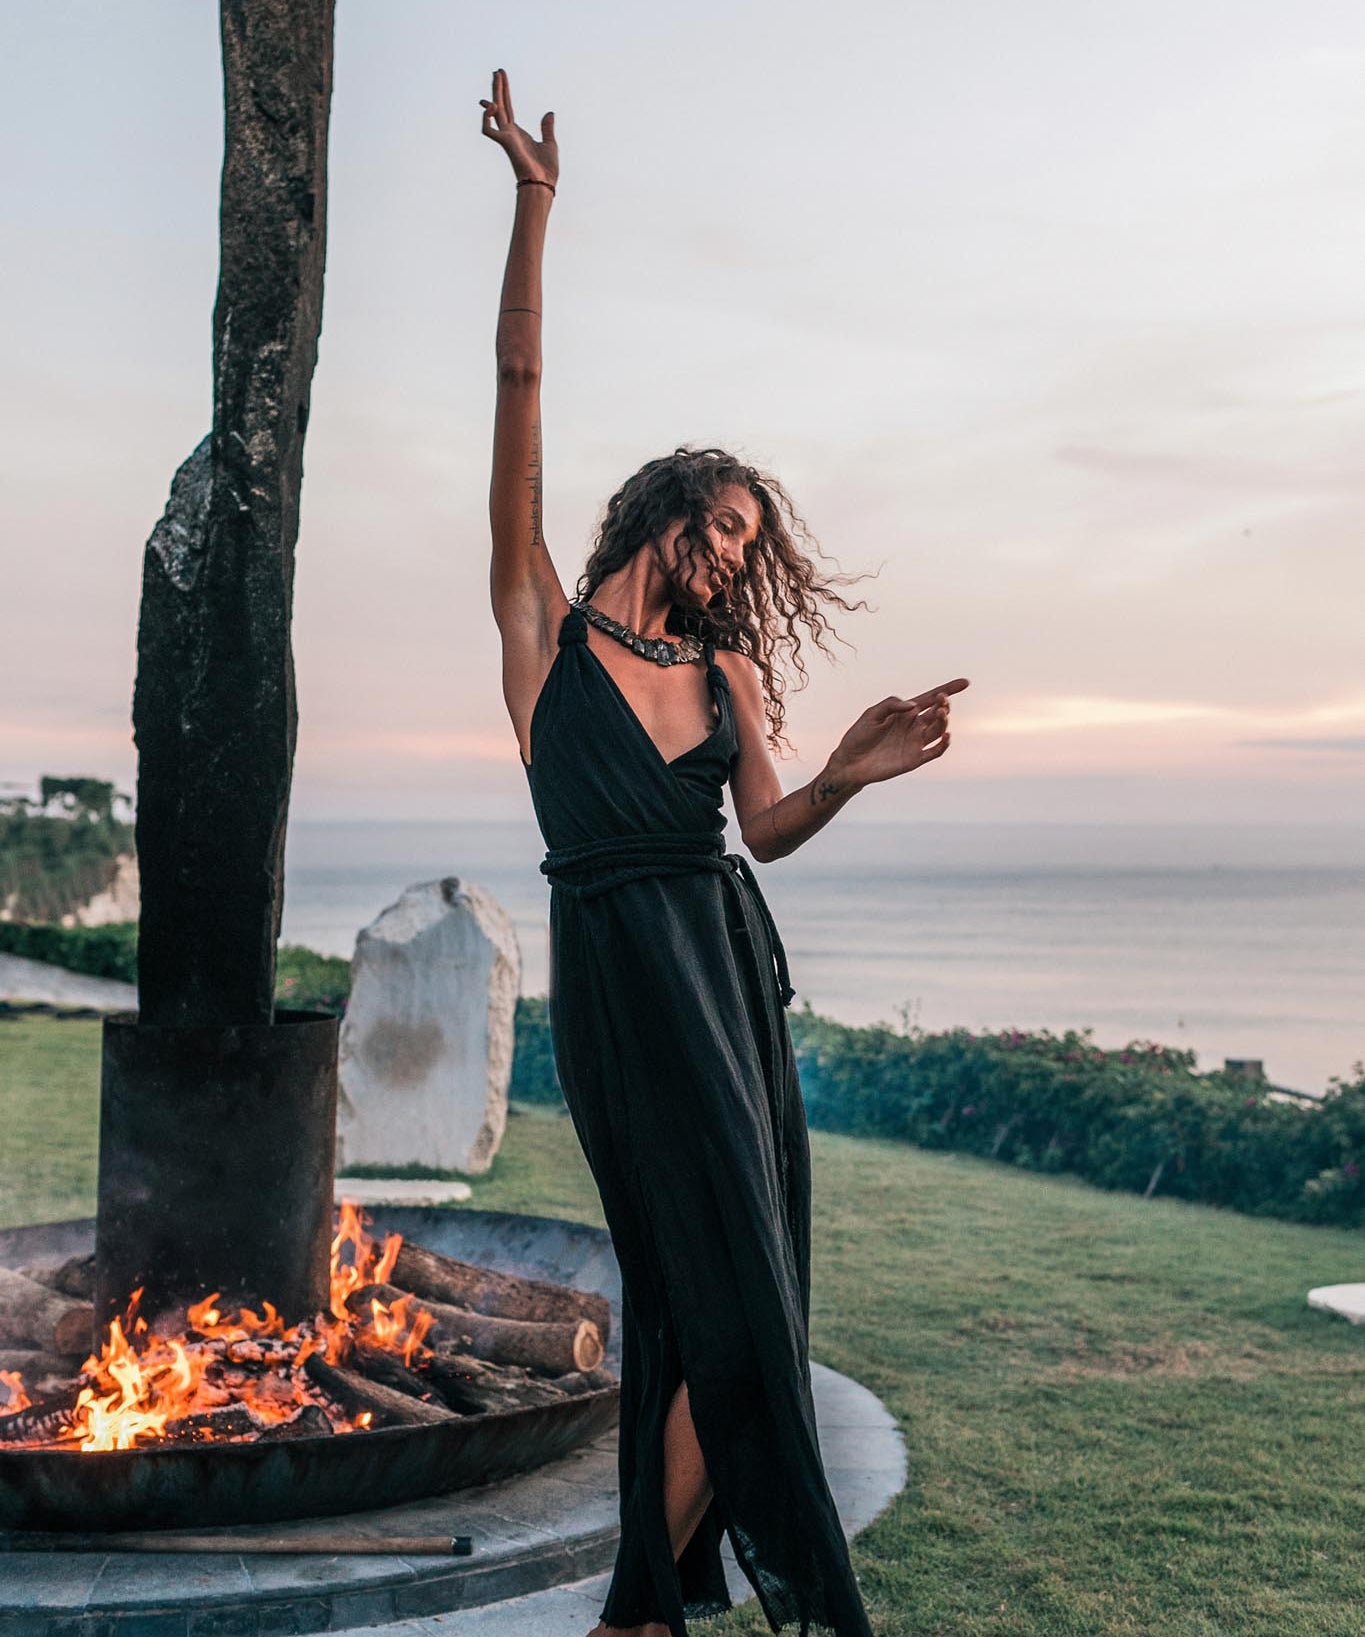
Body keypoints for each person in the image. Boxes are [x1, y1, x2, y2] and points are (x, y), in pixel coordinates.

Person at [480, 69, 968, 1637]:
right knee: (690, 1293)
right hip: (615, 980)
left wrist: (841, 772)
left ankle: (638, 1610)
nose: (743, 552)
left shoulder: (724, 679)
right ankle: (648, 1600)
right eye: (734, 524)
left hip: (721, 964)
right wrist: (533, 212)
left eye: (759, 539)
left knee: (742, 1297)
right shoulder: (538, 630)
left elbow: (760, 828)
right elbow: (516, 391)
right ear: (673, 506)